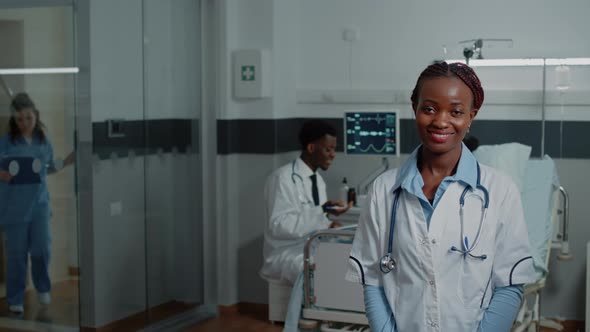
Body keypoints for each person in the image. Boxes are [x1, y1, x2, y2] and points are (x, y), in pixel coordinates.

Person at [346, 62, 535, 332]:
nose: (441, 121)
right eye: (429, 109)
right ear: (415, 109)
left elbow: (510, 283)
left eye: (456, 111)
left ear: (471, 115)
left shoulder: (501, 191)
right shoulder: (383, 191)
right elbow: (373, 279)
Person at [0, 92, 75, 315]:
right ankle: (15, 297)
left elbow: (48, 167)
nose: (24, 123)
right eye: (19, 119)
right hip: (13, 208)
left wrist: (67, 162)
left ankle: (43, 286)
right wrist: (2, 175)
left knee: (42, 249)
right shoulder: (6, 142)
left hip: (39, 206)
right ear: (14, 119)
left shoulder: (44, 142)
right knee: (16, 255)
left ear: (36, 116)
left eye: (28, 118)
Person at [260, 119, 351, 285]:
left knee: (349, 260)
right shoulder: (283, 179)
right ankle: (314, 311)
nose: (333, 154)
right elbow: (278, 225)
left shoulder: (317, 180)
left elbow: (313, 219)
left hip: (311, 246)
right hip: (286, 253)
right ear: (311, 148)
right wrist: (322, 211)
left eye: (334, 149)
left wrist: (329, 225)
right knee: (326, 271)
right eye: (328, 149)